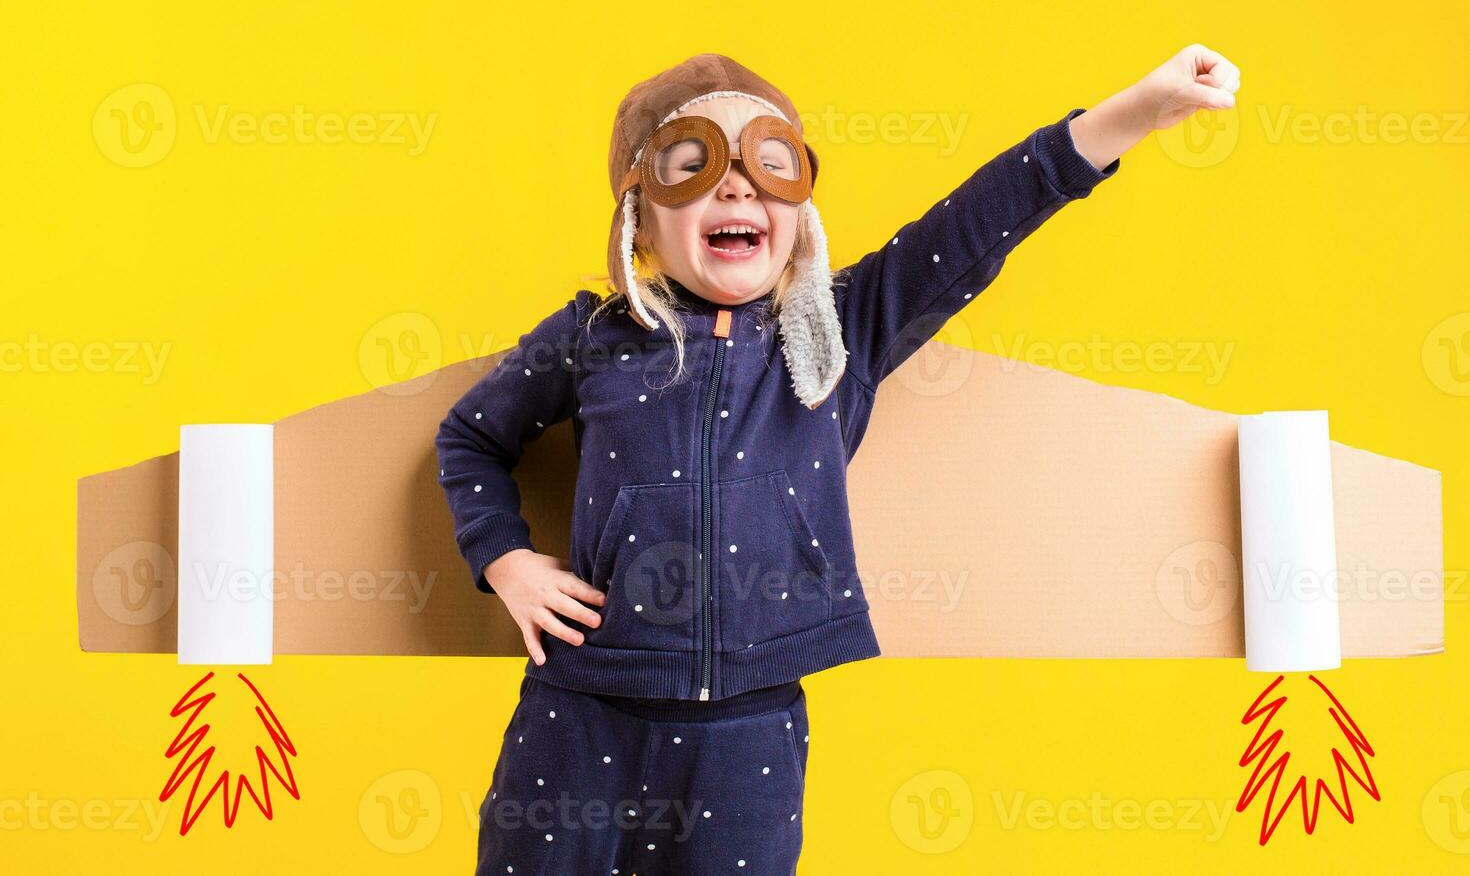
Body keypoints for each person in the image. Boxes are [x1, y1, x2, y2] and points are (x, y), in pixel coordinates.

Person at [435, 47, 1240, 874]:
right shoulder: (590, 335)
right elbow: (471, 437)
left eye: (769, 164)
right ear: (640, 210)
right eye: (695, 165)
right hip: (579, 718)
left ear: (799, 206)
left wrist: (1136, 112)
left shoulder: (839, 335)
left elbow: (976, 221)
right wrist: (505, 560)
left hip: (748, 738)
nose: (739, 185)